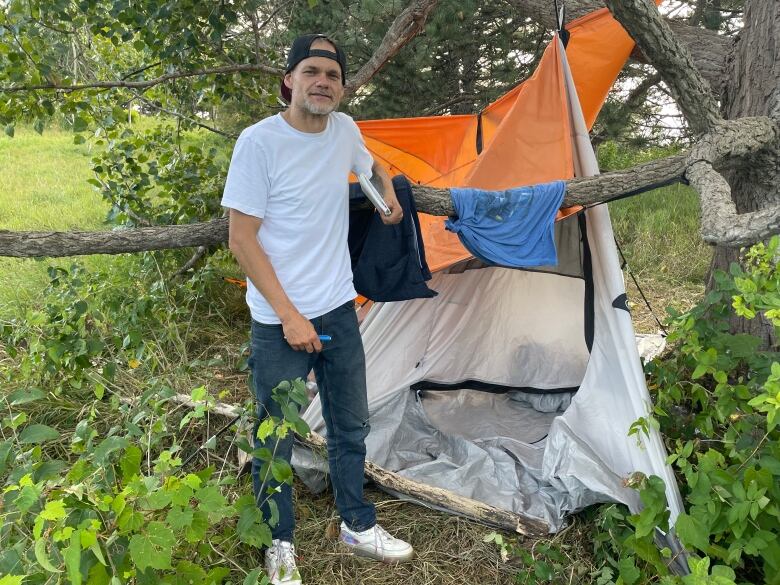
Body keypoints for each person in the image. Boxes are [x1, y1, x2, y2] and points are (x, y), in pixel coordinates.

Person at [221, 34, 414, 585]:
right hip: (279, 319)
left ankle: (357, 524)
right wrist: (289, 316)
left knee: (350, 424)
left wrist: (387, 191)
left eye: (332, 74)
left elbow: (371, 166)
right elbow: (242, 239)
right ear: (289, 81)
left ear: (342, 86)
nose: (322, 81)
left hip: (337, 307)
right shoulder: (259, 143)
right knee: (275, 434)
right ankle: (278, 542)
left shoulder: (346, 130)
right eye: (311, 71)